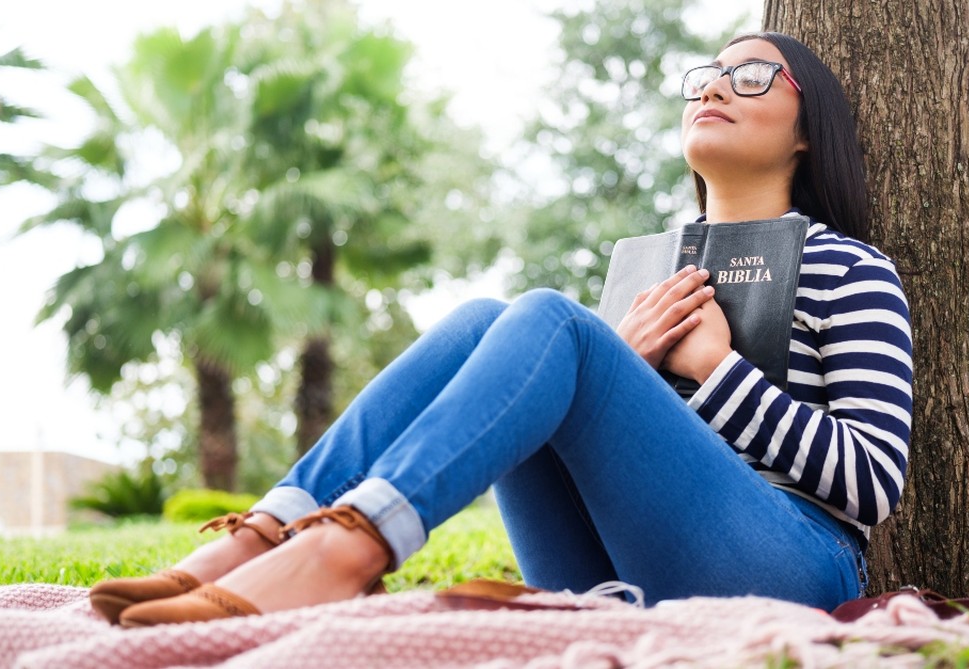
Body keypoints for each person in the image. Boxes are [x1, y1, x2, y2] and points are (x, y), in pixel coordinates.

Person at [89, 31, 913, 627]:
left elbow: (874, 485)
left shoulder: (850, 269)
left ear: (809, 131)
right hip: (609, 577)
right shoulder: (648, 274)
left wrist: (719, 371)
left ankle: (351, 548)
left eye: (754, 76)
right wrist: (619, 366)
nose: (713, 87)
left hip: (790, 564)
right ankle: (272, 530)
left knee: (554, 319)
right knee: (491, 320)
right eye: (707, 75)